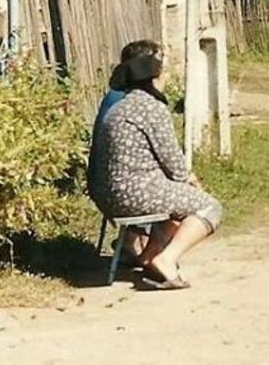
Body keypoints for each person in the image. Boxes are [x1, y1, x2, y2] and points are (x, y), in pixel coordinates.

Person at [90, 51, 222, 290]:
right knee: (209, 206)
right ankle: (167, 259)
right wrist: (191, 181)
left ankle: (149, 258)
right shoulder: (151, 108)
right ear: (154, 78)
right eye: (163, 73)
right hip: (137, 193)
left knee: (175, 202)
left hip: (110, 195)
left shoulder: (119, 107)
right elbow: (173, 161)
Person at [87, 39, 160, 266]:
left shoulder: (116, 94)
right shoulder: (130, 100)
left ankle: (138, 241)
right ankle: (146, 249)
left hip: (104, 182)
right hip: (116, 186)